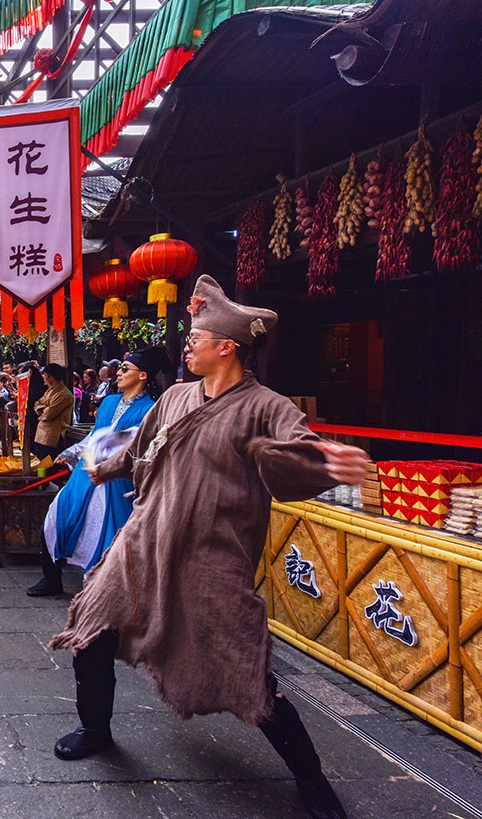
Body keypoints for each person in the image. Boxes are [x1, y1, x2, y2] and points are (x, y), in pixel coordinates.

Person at [48, 276, 368, 819]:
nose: (187, 347)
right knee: (93, 627)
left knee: (247, 670)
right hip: (144, 539)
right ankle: (94, 728)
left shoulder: (266, 406)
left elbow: (298, 449)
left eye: (196, 338)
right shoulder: (176, 396)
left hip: (212, 557)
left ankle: (311, 779)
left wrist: (322, 462)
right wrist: (105, 468)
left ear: (228, 347)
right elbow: (143, 446)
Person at [28, 348, 169, 598]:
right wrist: (71, 452)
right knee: (56, 519)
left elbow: (133, 444)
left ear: (143, 375)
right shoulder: (109, 402)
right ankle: (51, 578)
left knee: (106, 535)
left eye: (126, 369)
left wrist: (104, 453)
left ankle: (103, 591)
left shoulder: (151, 409)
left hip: (115, 479)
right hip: (85, 473)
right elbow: (95, 435)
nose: (119, 373)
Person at [32, 363, 75, 462]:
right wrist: (44, 408)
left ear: (50, 377)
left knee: (48, 465)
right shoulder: (50, 390)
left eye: (44, 375)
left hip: (52, 436)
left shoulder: (64, 394)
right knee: (39, 464)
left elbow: (49, 414)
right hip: (41, 434)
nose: (43, 377)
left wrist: (42, 409)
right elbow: (37, 404)